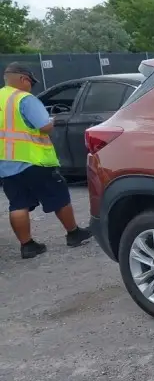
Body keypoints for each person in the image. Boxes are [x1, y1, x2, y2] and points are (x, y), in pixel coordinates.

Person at [0, 62, 92, 258]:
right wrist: (52, 121)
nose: (31, 86)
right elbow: (43, 126)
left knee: (18, 204)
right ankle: (74, 233)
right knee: (59, 197)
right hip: (35, 160)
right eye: (31, 82)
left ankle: (27, 246)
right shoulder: (24, 99)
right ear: (24, 79)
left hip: (7, 163)